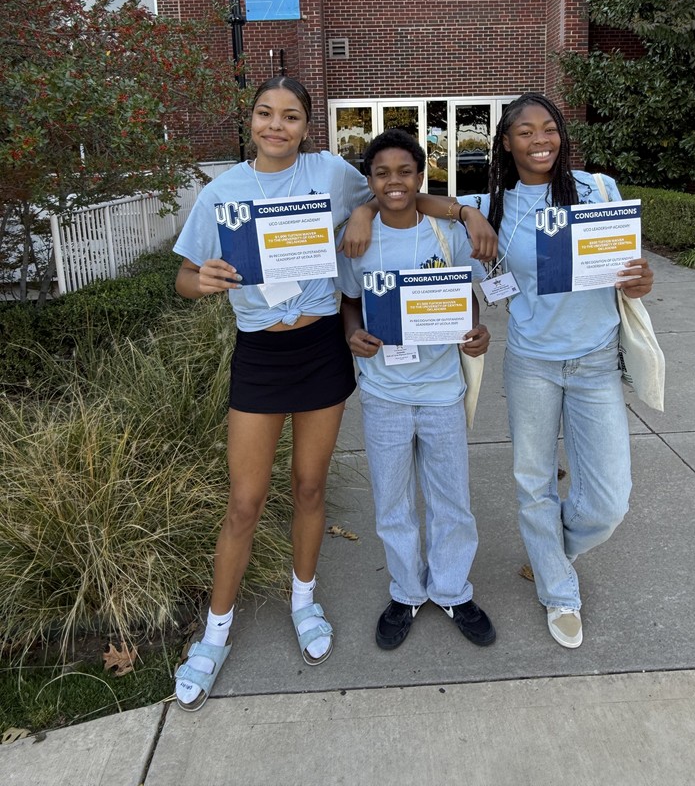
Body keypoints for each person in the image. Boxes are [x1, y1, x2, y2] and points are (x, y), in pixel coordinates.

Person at [172, 77, 495, 710]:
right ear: (253, 119)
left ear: (306, 125)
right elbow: (184, 276)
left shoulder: (331, 173)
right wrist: (202, 280)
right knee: (245, 500)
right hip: (262, 353)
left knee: (311, 488)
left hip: (321, 349)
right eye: (266, 113)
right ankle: (214, 635)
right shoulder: (223, 191)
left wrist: (458, 210)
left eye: (290, 116)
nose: (276, 125)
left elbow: (398, 198)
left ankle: (304, 599)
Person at [459, 92, 654, 649]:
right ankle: (558, 590)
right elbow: (410, 199)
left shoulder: (599, 190)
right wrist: (466, 212)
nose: (540, 140)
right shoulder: (493, 205)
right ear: (505, 142)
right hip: (532, 363)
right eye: (525, 131)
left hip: (594, 359)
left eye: (549, 128)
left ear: (562, 134)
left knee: (610, 497)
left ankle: (552, 552)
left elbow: (629, 268)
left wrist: (641, 280)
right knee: (533, 480)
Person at [338, 129, 496, 650]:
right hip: (383, 391)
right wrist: (350, 334)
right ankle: (407, 591)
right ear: (369, 181)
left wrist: (476, 331)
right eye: (382, 173)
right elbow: (349, 300)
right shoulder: (358, 238)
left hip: (441, 390)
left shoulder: (445, 233)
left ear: (421, 175)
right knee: (393, 501)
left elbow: (467, 294)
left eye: (405, 171)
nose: (394, 182)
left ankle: (451, 589)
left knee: (452, 497)